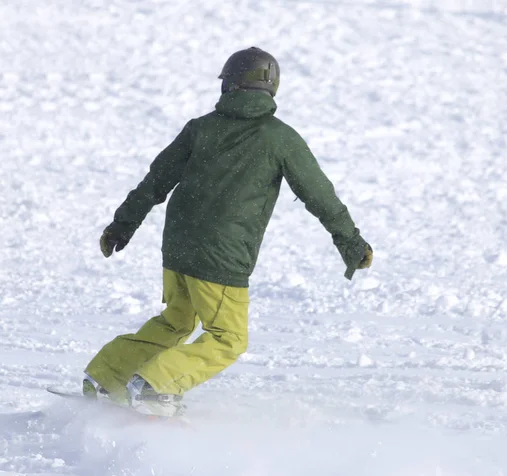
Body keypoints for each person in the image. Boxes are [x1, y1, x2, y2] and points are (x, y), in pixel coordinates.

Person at [83, 47, 373, 416]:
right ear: (271, 88)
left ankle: (107, 375)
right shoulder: (278, 138)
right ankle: (158, 386)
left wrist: (122, 225)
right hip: (221, 256)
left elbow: (155, 181)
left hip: (178, 247)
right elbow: (319, 195)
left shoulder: (201, 128)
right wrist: (350, 242)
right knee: (228, 338)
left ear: (229, 86)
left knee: (176, 321)